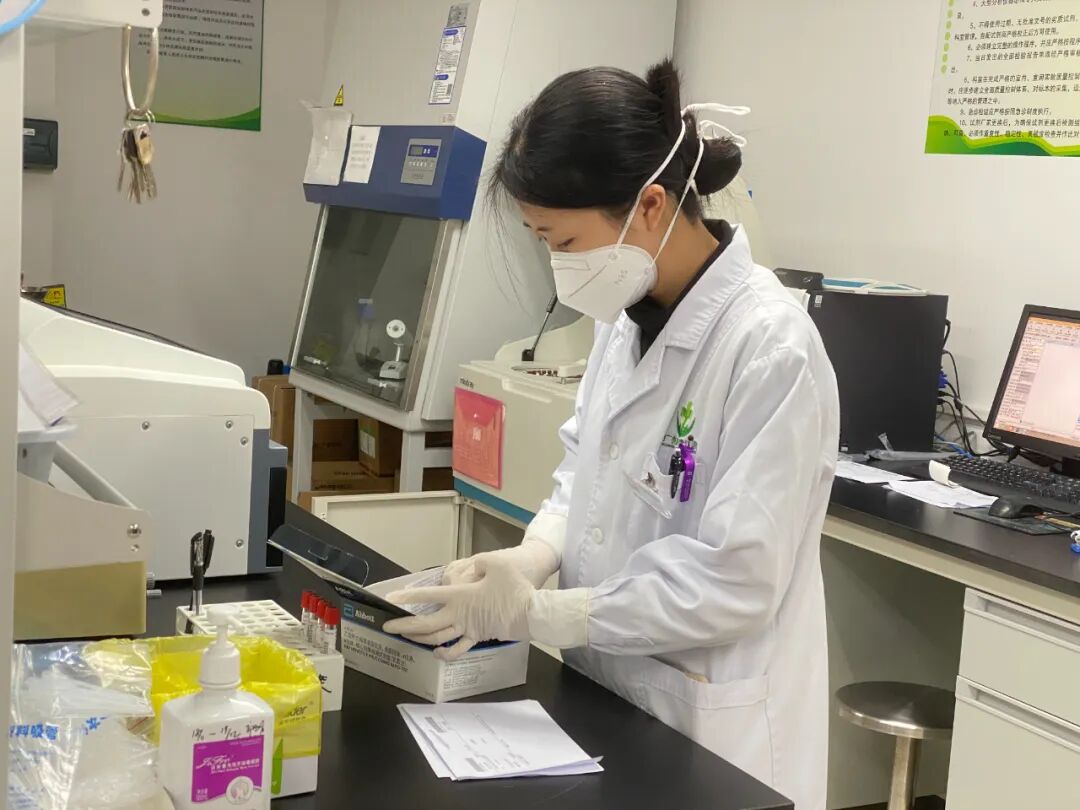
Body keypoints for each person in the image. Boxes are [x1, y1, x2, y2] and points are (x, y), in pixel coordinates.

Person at [384, 58, 839, 810]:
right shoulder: (625, 317)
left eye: (563, 241)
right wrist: (531, 557)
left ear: (650, 206)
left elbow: (738, 579)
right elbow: (585, 474)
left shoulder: (770, 347)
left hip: (714, 725)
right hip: (612, 696)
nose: (558, 264)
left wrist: (543, 615)